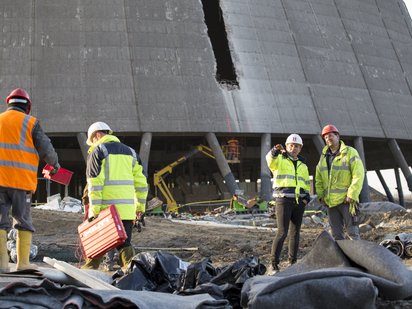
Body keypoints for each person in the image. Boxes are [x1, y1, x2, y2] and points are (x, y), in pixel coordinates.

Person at [0, 88, 60, 272]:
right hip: (21, 182)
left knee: (0, 222)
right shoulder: (31, 122)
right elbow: (46, 149)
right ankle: (22, 264)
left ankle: (1, 264)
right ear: (27, 106)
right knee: (23, 221)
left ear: (8, 102)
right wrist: (55, 165)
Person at [81, 121, 148, 270]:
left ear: (97, 135)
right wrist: (140, 208)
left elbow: (95, 184)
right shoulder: (131, 153)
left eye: (92, 140)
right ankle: (133, 274)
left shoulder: (97, 151)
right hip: (127, 211)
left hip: (106, 211)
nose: (91, 143)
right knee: (124, 244)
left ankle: (88, 273)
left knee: (98, 243)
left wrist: (94, 211)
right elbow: (142, 184)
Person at [266, 134, 310, 273]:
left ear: (300, 148)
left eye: (297, 146)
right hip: (283, 200)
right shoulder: (279, 159)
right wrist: (274, 150)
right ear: (286, 146)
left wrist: (306, 198)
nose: (294, 148)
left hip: (298, 202)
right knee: (282, 232)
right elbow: (269, 160)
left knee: (295, 233)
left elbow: (306, 184)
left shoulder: (303, 165)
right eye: (291, 145)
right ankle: (274, 264)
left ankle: (293, 262)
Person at [315, 124, 365, 240]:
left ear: (337, 136)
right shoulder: (323, 157)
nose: (328, 139)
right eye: (326, 137)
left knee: (352, 233)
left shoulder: (350, 152)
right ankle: (341, 258)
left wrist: (352, 194)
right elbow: (318, 179)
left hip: (347, 201)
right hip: (331, 203)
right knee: (336, 235)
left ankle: (355, 258)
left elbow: (358, 174)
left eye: (330, 136)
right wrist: (321, 196)